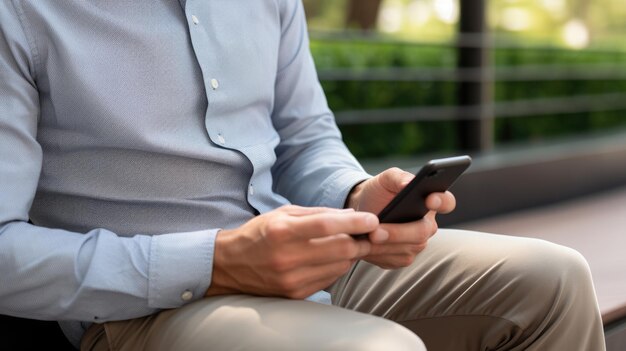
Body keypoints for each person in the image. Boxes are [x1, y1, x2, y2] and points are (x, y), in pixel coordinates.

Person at [0, 1, 606, 350]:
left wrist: (358, 195)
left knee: (555, 280)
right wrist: (217, 262)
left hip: (307, 259)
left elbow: (306, 138)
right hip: (138, 310)